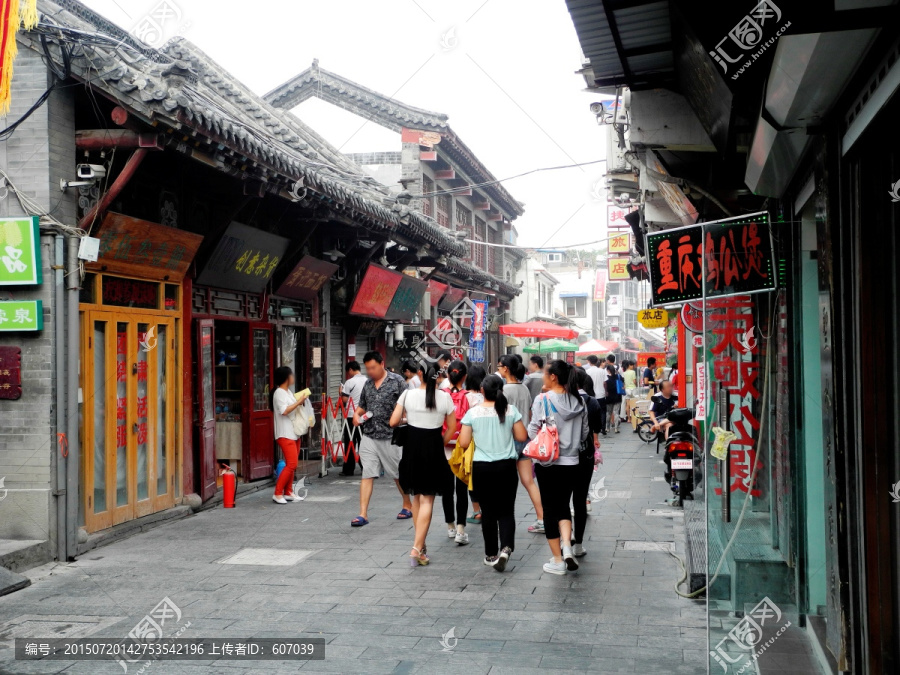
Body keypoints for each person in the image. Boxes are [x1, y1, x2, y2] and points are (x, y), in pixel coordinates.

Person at [458, 374, 528, 571]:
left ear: (482, 390)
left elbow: (463, 443)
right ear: (501, 390)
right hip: (506, 466)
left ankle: (491, 554)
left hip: (482, 468)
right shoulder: (510, 410)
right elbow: (522, 436)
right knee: (506, 510)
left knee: (488, 513)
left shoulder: (473, 413)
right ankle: (506, 548)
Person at [390, 364, 457, 567]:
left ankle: (420, 546)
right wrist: (440, 443)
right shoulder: (445, 397)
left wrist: (407, 417)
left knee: (416, 498)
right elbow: (453, 427)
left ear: (420, 374)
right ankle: (417, 548)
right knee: (427, 500)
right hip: (433, 447)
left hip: (411, 449)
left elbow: (393, 422)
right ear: (439, 377)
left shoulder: (407, 395)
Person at [528, 360, 589, 575]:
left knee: (550, 511)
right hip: (572, 462)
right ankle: (567, 547)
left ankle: (557, 560)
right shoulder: (579, 401)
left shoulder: (542, 399)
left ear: (553, 376)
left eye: (546, 373)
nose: (544, 376)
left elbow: (533, 429)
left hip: (548, 462)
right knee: (564, 506)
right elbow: (584, 434)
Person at [351, 352, 413, 526]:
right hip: (369, 434)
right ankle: (363, 514)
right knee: (367, 474)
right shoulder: (367, 384)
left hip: (391, 436)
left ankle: (407, 504)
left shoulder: (397, 381)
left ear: (381, 364)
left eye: (373, 367)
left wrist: (403, 418)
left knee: (397, 474)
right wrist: (356, 415)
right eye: (367, 368)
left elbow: (409, 405)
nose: (370, 371)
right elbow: (362, 406)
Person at [498, 357, 545, 534]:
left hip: (508, 440)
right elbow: (531, 412)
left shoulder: (503, 390)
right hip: (524, 440)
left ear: (507, 369)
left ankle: (502, 520)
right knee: (529, 482)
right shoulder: (524, 388)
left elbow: (501, 417)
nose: (499, 369)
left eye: (500, 367)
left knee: (506, 485)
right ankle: (542, 518)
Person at [443, 360, 474, 545]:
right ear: (465, 377)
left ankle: (450, 526)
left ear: (448, 375)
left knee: (447, 489)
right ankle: (461, 529)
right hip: (462, 448)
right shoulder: (471, 397)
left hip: (444, 447)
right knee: (461, 489)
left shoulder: (440, 395)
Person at [573, 369, 603, 553]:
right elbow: (597, 426)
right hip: (585, 454)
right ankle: (578, 545)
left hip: (563, 457)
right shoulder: (592, 403)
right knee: (580, 498)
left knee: (561, 501)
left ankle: (565, 542)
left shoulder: (557, 401)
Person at [271, 366, 309, 504]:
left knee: (292, 464)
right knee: (291, 464)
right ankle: (277, 493)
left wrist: (300, 402)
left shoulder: (288, 392)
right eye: (291, 375)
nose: (293, 377)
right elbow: (284, 411)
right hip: (284, 433)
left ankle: (288, 492)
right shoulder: (279, 393)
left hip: (294, 433)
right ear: (286, 378)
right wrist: (298, 402)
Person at [465, 365, 486, 524]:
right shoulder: (487, 396)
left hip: (470, 441)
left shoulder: (466, 397)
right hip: (484, 440)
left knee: (471, 478)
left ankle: (477, 511)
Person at [340, 361, 367, 476]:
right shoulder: (368, 381)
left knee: (350, 442)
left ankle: (348, 469)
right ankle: (366, 467)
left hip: (351, 415)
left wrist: (340, 393)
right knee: (364, 443)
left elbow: (345, 400)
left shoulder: (349, 382)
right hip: (365, 416)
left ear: (350, 369)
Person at [584, 355, 608, 435]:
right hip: (601, 394)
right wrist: (606, 391)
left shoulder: (587, 371)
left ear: (589, 361)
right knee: (603, 412)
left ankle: (593, 428)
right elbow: (605, 383)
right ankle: (603, 428)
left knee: (591, 412)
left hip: (591, 395)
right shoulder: (602, 371)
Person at [604, 363, 623, 433]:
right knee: (616, 413)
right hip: (617, 396)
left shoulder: (606, 378)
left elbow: (604, 386)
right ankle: (616, 428)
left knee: (608, 413)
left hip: (609, 397)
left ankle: (607, 428)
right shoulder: (618, 376)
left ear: (608, 370)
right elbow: (623, 382)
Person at [622, 361, 638, 430]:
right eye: (633, 365)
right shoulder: (633, 372)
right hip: (633, 389)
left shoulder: (624, 373)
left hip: (627, 389)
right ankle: (634, 418)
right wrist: (636, 385)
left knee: (627, 405)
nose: (633, 366)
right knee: (634, 404)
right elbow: (634, 381)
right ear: (630, 365)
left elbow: (624, 382)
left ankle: (629, 419)